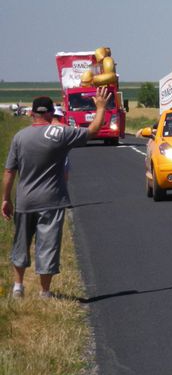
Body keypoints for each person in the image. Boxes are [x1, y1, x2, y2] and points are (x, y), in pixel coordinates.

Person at [2, 87, 109, 299]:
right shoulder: (59, 133)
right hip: (51, 200)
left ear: (32, 114)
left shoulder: (19, 137)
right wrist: (101, 107)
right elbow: (93, 131)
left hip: (25, 201)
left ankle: (18, 286)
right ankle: (44, 291)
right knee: (47, 245)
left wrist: (5, 199)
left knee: (20, 243)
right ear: (51, 113)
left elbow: (9, 171)